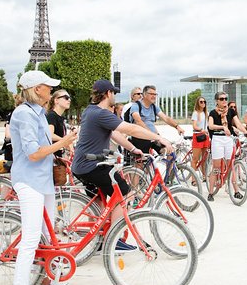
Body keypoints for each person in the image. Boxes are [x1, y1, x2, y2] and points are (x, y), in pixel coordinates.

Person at [9, 70, 78, 285]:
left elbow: (43, 151)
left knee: (48, 235)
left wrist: (58, 153)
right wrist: (63, 143)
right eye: (48, 87)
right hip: (29, 180)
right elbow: (33, 153)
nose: (51, 90)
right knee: (30, 239)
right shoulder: (24, 114)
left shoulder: (36, 112)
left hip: (42, 179)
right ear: (37, 88)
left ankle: (46, 280)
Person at [72, 80, 173, 236]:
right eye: (114, 93)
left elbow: (114, 133)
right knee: (124, 193)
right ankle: (115, 239)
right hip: (92, 165)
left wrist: (132, 148)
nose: (115, 96)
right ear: (107, 94)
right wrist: (159, 138)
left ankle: (97, 238)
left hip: (81, 165)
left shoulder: (89, 110)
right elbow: (131, 128)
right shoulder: (101, 113)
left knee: (99, 203)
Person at [207, 91, 247, 201]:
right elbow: (210, 126)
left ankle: (236, 191)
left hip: (228, 139)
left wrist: (245, 131)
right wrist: (222, 127)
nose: (224, 101)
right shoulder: (213, 112)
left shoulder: (231, 111)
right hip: (217, 138)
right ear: (217, 101)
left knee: (231, 165)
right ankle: (211, 192)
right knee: (216, 166)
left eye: (225, 98)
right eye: (221, 99)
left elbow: (238, 123)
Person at [130, 85, 184, 154]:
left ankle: (168, 165)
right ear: (144, 95)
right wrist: (151, 134)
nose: (154, 96)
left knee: (170, 151)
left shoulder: (154, 107)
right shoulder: (136, 106)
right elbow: (138, 121)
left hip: (154, 137)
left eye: (155, 94)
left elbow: (166, 118)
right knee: (142, 160)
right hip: (141, 137)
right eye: (152, 94)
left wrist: (177, 127)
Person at [46, 89, 72, 158]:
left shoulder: (60, 117)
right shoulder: (51, 115)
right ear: (56, 100)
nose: (69, 100)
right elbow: (50, 135)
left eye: (70, 98)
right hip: (51, 158)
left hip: (57, 156)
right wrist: (65, 141)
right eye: (66, 97)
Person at [191, 96, 210, 181]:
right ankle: (193, 179)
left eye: (204, 102)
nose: (203, 103)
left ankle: (204, 175)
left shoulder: (206, 113)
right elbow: (194, 126)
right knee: (195, 158)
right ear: (198, 103)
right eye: (201, 102)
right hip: (198, 136)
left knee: (204, 158)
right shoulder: (196, 113)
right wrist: (202, 130)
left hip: (205, 136)